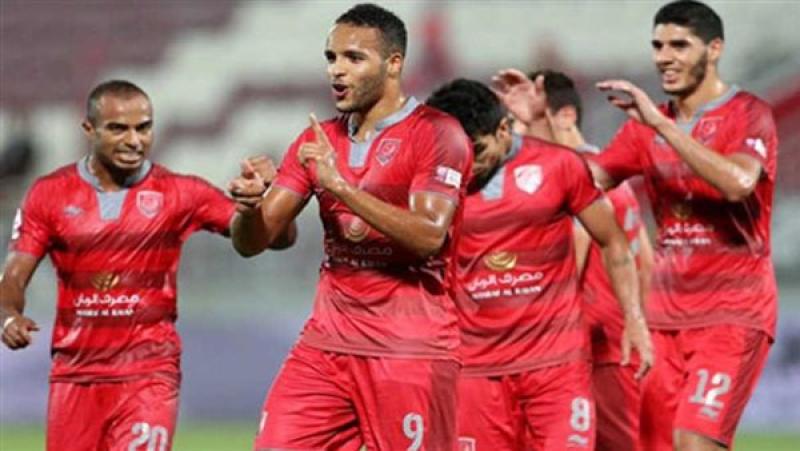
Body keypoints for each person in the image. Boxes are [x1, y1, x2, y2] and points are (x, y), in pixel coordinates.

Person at [487, 1, 778, 449]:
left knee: (694, 441)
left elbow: (738, 183)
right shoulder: (644, 130)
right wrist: (535, 130)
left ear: (714, 49)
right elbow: (575, 185)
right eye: (658, 46)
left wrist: (662, 125)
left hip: (733, 313)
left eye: (679, 45)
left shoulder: (747, 113)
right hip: (664, 321)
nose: (665, 57)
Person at [228, 4, 472, 450]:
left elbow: (428, 236)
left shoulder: (438, 133)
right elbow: (253, 243)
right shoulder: (317, 141)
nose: (336, 70)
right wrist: (247, 208)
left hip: (409, 350)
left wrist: (339, 185)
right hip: (326, 346)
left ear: (394, 64)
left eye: (353, 58)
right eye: (331, 57)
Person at [0, 80, 253, 451]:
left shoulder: (181, 192)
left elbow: (267, 237)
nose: (134, 140)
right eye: (119, 128)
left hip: (148, 374)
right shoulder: (49, 194)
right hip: (75, 376)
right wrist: (8, 316)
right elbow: (13, 276)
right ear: (89, 129)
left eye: (143, 128)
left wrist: (257, 206)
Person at [425, 78, 653, 451]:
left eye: (476, 150)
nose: (466, 164)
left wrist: (634, 317)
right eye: (455, 153)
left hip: (556, 368)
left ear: (503, 130)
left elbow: (613, 241)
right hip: (476, 372)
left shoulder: (559, 166)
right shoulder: (436, 183)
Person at [494, 68, 656, 451]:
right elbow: (646, 261)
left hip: (576, 349)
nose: (519, 134)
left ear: (565, 116)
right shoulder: (610, 177)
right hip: (612, 344)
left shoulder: (569, 177)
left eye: (527, 121)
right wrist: (634, 322)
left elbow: (571, 256)